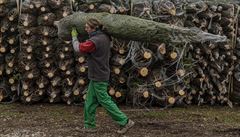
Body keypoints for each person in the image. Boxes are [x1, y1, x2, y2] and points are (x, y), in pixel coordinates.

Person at [71, 18, 135, 134]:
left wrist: (74, 37)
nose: (85, 29)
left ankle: (125, 121)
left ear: (94, 28)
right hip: (98, 74)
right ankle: (89, 126)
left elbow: (78, 48)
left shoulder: (94, 41)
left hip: (98, 76)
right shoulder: (104, 37)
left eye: (87, 27)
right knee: (90, 101)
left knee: (105, 100)